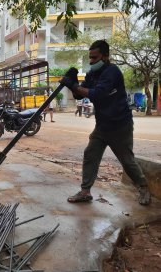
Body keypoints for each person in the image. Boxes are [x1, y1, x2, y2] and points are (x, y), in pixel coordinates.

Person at [60, 40, 151, 205]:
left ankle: (143, 187)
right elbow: (80, 95)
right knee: (90, 154)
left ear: (105, 56)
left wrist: (73, 85)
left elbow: (98, 95)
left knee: (127, 160)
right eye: (90, 58)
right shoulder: (92, 74)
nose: (91, 61)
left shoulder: (112, 72)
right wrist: (72, 83)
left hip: (119, 125)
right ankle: (85, 191)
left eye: (94, 58)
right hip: (102, 126)